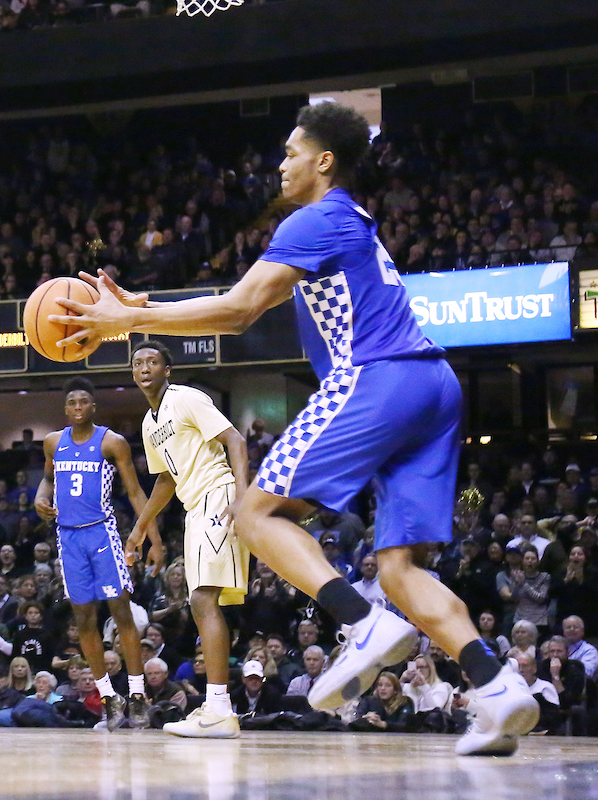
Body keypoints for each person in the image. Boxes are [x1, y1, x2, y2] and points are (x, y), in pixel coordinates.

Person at [53, 101, 538, 756]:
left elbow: (238, 310)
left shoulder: (316, 217)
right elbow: (254, 291)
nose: (280, 164)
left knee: (252, 513)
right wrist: (147, 305)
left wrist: (123, 325)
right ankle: (498, 686)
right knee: (399, 568)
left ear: (324, 161)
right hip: (435, 388)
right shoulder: (346, 224)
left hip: (378, 374)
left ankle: (360, 623)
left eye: (290, 152)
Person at [126, 341, 249, 738]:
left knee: (202, 599)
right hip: (193, 507)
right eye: (138, 363)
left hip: (219, 494)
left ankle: (218, 709)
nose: (144, 367)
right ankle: (216, 708)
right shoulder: (149, 422)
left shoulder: (187, 398)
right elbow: (166, 479)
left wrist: (243, 496)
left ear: (168, 370)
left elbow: (236, 440)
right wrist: (141, 526)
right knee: (202, 603)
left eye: (152, 362)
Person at [35, 376, 160, 730]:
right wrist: (39, 497)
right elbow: (47, 479)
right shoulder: (52, 442)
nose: (77, 408)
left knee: (122, 614)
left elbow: (135, 492)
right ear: (65, 408)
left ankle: (137, 694)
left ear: (93, 406)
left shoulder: (112, 442)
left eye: (83, 403)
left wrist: (154, 538)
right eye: (71, 403)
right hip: (68, 538)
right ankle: (108, 697)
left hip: (102, 534)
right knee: (84, 621)